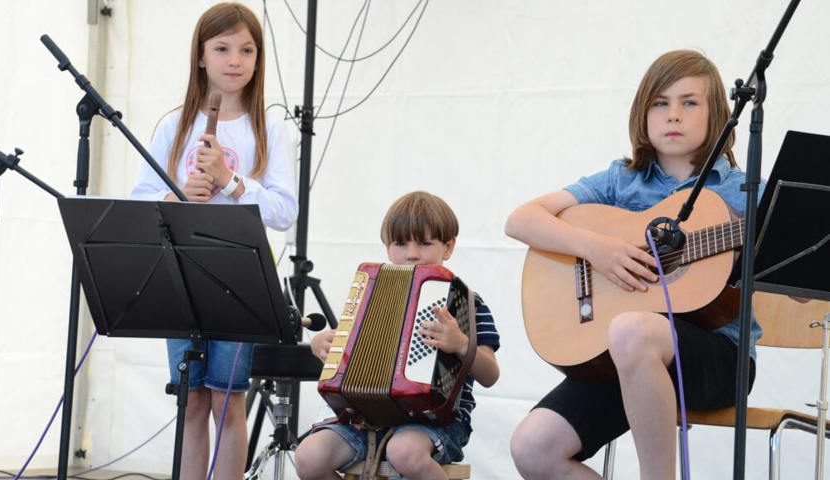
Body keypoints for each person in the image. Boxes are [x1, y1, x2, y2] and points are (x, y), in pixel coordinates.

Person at [506, 50, 764, 480]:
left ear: (718, 113)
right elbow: (522, 220)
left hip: (719, 357)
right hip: (626, 357)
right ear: (643, 114)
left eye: (689, 102)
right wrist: (599, 250)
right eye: (660, 103)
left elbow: (793, 267)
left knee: (631, 328)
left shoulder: (744, 193)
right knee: (533, 449)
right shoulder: (619, 181)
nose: (673, 115)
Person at [130, 3, 298, 478]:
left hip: (240, 274)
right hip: (181, 272)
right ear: (200, 57)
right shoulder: (175, 125)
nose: (235, 60)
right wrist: (178, 194)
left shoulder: (270, 128)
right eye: (222, 48)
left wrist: (231, 181)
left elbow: (285, 211)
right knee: (191, 400)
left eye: (247, 50)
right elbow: (141, 201)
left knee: (228, 399)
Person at [294, 191, 500, 480]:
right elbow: (349, 350)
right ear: (387, 248)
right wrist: (323, 344)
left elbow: (490, 375)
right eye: (400, 244)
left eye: (425, 243)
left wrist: (462, 345)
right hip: (365, 420)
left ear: (449, 246)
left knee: (404, 451)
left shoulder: (467, 302)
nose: (412, 253)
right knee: (308, 456)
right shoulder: (372, 294)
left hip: (437, 423)